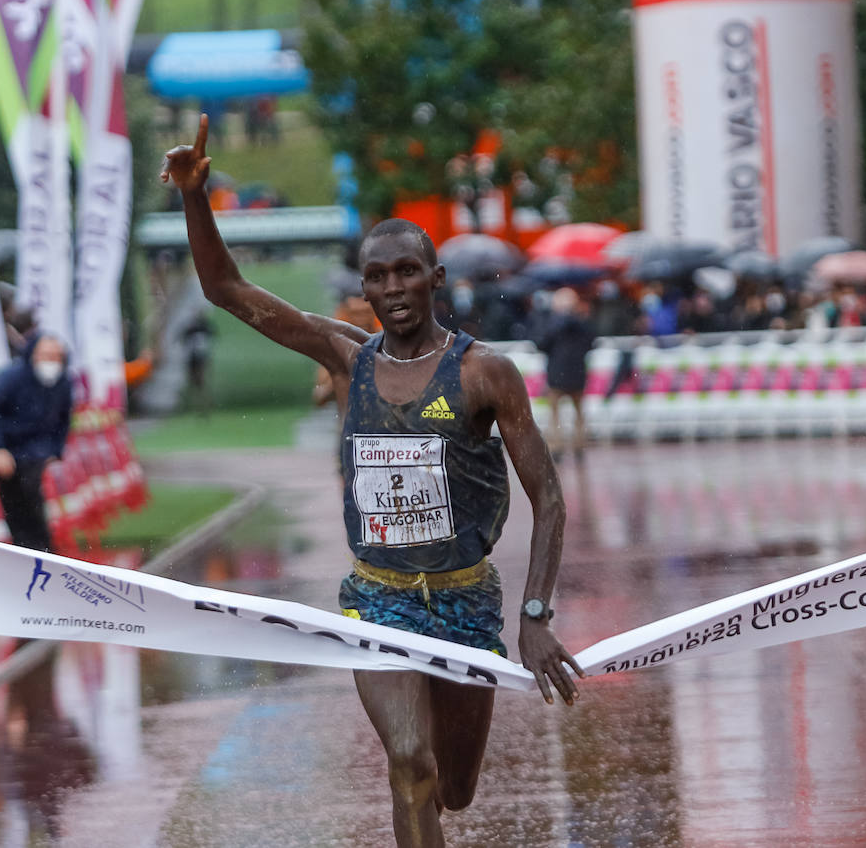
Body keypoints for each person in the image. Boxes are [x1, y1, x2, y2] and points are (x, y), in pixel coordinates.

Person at [163, 116, 581, 847]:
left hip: (465, 600)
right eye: (378, 276)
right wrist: (196, 198)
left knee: (453, 786)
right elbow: (226, 288)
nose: (393, 288)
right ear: (364, 285)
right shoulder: (347, 359)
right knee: (409, 763)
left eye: (408, 272)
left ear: (435, 280)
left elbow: (548, 495)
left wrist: (536, 612)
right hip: (378, 599)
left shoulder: (485, 374)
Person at [0, 335, 72, 553]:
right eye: (46, 356)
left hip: (37, 451)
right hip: (9, 447)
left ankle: (42, 550)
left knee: (32, 493)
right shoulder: (12, 378)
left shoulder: (63, 382)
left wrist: (55, 450)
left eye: (57, 357)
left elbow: (63, 419)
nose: (52, 362)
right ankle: (23, 550)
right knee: (14, 503)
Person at [534, 288, 595, 459]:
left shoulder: (552, 323)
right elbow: (591, 343)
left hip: (557, 374)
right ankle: (579, 447)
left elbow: (541, 343)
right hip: (576, 373)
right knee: (578, 414)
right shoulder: (582, 322)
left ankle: (557, 448)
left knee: (555, 415)